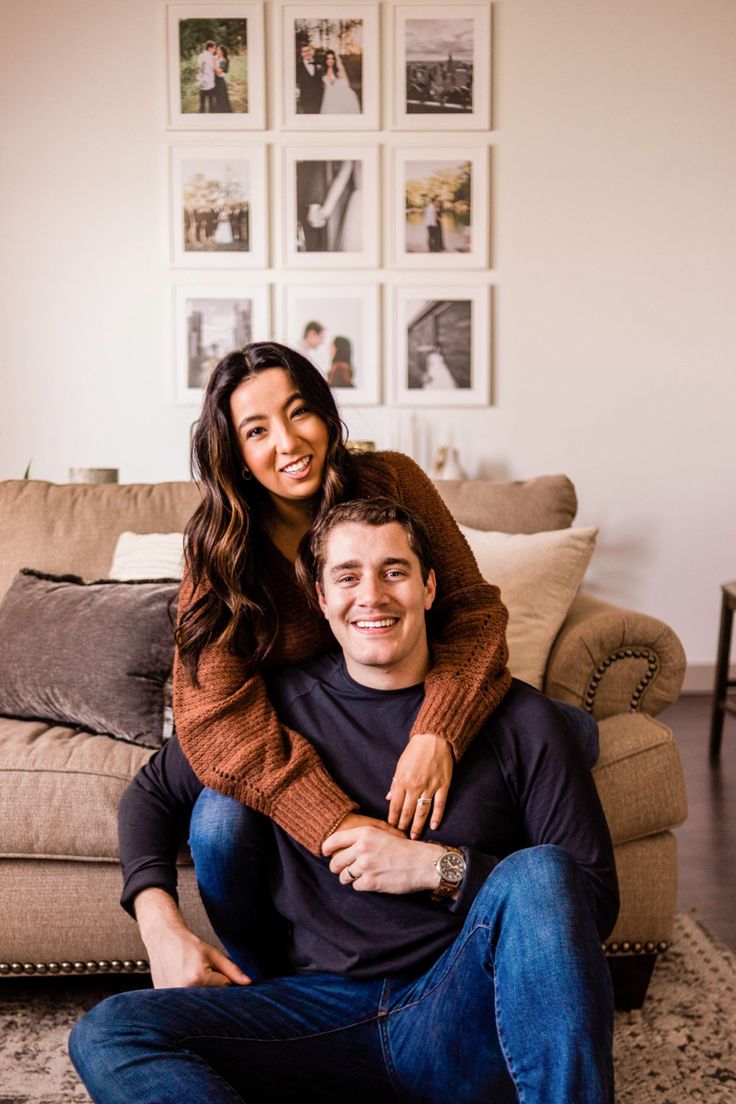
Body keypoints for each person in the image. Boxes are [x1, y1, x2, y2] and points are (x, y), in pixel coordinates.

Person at [69, 499, 618, 1104]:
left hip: (459, 1016)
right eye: (348, 576)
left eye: (394, 571)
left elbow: (589, 901)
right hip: (313, 1014)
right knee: (110, 1031)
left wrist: (436, 867)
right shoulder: (272, 712)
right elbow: (150, 795)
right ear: (321, 597)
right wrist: (161, 925)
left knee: (542, 871)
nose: (372, 596)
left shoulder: (523, 720)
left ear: (429, 587)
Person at [163, 342, 512, 861]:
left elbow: (473, 613)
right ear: (234, 453)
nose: (288, 442)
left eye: (298, 411)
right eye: (256, 431)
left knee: (570, 735)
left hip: (411, 703)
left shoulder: (392, 479)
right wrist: (333, 819)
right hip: (302, 737)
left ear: (325, 412)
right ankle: (258, 948)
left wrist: (438, 732)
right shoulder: (220, 547)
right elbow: (214, 709)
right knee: (219, 828)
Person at [320, 49, 361, 115]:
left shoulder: (339, 71)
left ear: (335, 60)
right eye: (328, 58)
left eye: (332, 58)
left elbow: (345, 85)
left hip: (338, 98)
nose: (330, 60)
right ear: (325, 60)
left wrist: (336, 83)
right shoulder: (323, 70)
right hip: (328, 98)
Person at [295, 42, 324, 113]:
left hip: (320, 99)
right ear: (301, 54)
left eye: (308, 50)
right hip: (306, 100)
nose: (307, 53)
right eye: (304, 52)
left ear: (312, 51)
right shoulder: (297, 68)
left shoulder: (320, 64)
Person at [195, 40, 217, 113]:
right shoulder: (211, 57)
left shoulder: (200, 55)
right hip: (209, 81)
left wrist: (199, 78)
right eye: (214, 48)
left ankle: (202, 113)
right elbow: (213, 68)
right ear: (209, 48)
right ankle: (211, 114)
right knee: (211, 101)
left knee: (202, 100)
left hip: (201, 80)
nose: (215, 50)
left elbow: (198, 68)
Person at [213, 45, 232, 113]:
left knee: (221, 97)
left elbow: (218, 72)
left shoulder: (223, 60)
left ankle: (223, 111)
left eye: (218, 50)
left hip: (219, 80)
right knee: (217, 97)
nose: (217, 51)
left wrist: (214, 65)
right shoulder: (216, 58)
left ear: (222, 52)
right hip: (215, 79)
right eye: (217, 50)